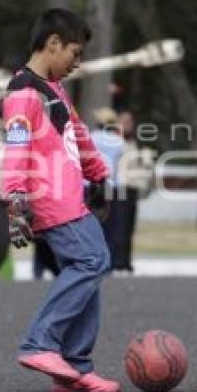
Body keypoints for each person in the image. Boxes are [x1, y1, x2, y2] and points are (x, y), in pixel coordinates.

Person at [2, 8, 119, 392]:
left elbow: (79, 136)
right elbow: (15, 148)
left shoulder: (54, 90)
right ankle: (40, 343)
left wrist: (98, 173)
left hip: (71, 195)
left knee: (91, 267)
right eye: (74, 53)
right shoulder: (24, 92)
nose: (76, 63)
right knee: (92, 260)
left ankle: (73, 368)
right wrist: (15, 198)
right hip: (49, 198)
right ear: (53, 43)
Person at [112, 110, 154, 273]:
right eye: (125, 122)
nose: (128, 125)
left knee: (128, 227)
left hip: (132, 188)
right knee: (119, 227)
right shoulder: (114, 142)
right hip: (119, 188)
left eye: (130, 122)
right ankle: (117, 260)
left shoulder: (134, 142)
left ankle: (126, 261)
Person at [90, 107, 123, 270]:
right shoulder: (118, 141)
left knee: (91, 223)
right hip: (110, 185)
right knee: (110, 224)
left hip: (91, 184)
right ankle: (108, 261)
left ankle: (92, 258)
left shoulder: (91, 138)